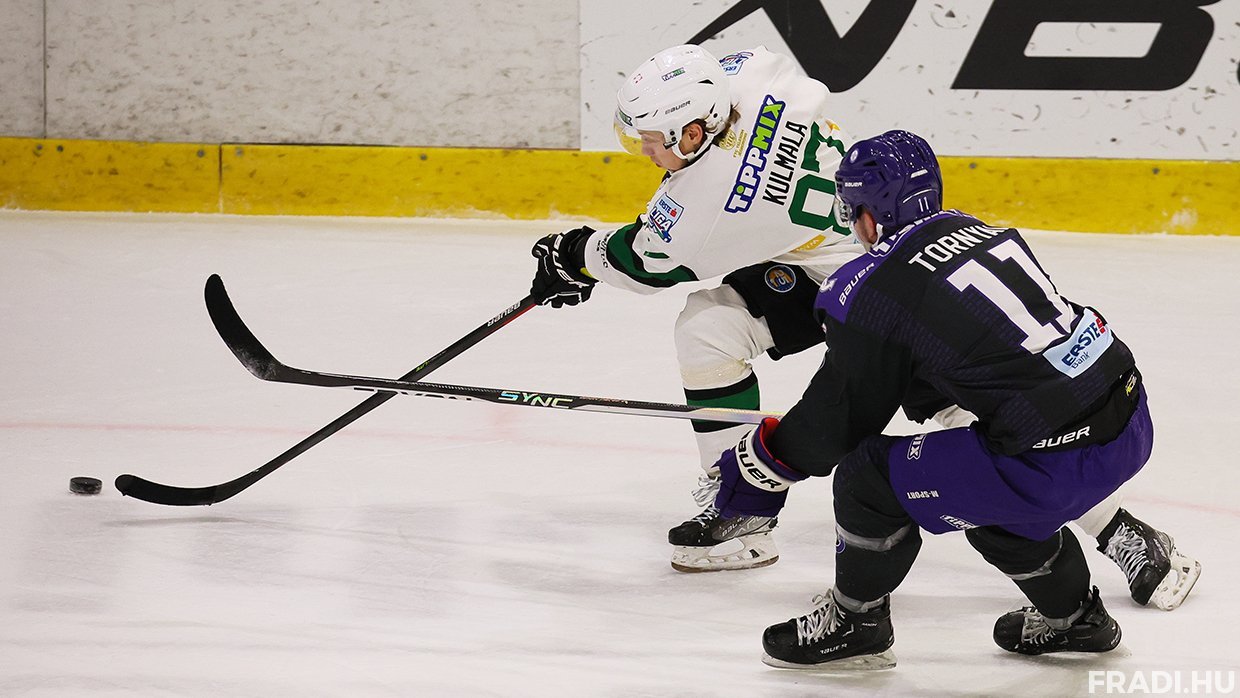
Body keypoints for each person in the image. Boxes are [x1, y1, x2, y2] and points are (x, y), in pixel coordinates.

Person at [528, 44, 1199, 606]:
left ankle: (1126, 534)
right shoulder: (752, 77)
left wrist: (574, 255)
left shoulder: (709, 202)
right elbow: (745, 79)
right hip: (842, 248)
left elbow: (648, 261)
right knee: (709, 328)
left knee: (963, 414)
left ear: (694, 131)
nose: (646, 154)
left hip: (875, 286)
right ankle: (742, 516)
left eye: (651, 142)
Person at [708, 130, 1197, 670]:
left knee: (867, 477)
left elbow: (838, 423)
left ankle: (856, 624)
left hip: (1052, 461)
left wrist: (763, 463)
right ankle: (1076, 621)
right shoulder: (976, 229)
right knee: (985, 496)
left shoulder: (871, 286)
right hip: (1130, 419)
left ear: (868, 213)